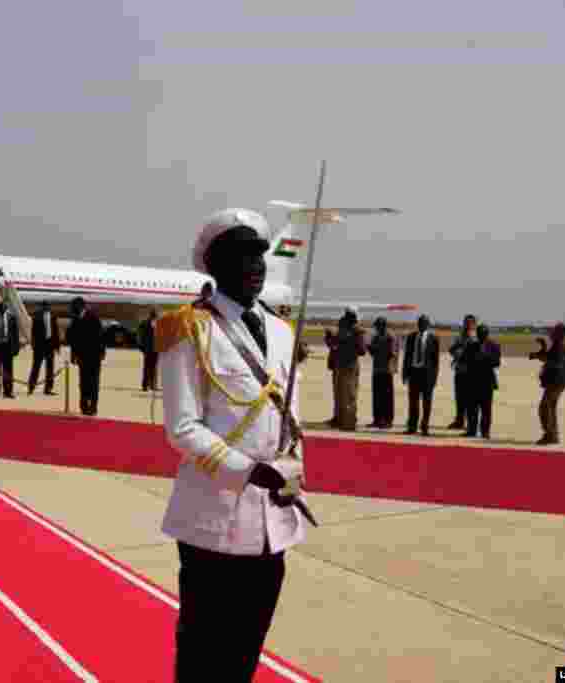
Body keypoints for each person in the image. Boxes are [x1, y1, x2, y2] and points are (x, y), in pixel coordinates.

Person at [158, 208, 309, 682]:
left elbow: (291, 420)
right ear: (216, 266)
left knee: (247, 649)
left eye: (260, 256)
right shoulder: (189, 328)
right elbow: (182, 427)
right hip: (213, 519)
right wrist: (248, 471)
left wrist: (291, 469)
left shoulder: (284, 334)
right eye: (244, 256)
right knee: (204, 649)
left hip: (272, 523)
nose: (257, 266)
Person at [530, 322, 565, 444]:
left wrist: (541, 350)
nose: (551, 333)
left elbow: (550, 359)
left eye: (554, 331)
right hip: (560, 382)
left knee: (544, 408)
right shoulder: (563, 344)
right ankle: (553, 435)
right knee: (551, 407)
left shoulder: (559, 345)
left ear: (559, 333)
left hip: (555, 382)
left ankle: (549, 435)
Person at [328, 308, 367, 431]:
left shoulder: (356, 331)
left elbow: (362, 351)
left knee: (348, 395)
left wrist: (350, 340)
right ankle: (340, 419)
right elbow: (333, 344)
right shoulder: (345, 327)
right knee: (340, 393)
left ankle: (348, 422)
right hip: (341, 364)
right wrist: (331, 338)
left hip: (349, 365)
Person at [66, 297, 105, 416]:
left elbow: (101, 337)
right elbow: (71, 338)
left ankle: (93, 407)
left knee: (93, 383)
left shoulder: (94, 318)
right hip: (82, 356)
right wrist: (74, 354)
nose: (72, 310)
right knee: (83, 383)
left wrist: (102, 352)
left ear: (81, 307)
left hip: (94, 356)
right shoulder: (75, 319)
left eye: (74, 307)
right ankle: (84, 406)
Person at [402, 314, 440, 436]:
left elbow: (435, 361)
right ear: (418, 324)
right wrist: (405, 373)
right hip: (414, 372)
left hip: (427, 374)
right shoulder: (411, 337)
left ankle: (425, 427)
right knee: (413, 402)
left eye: (424, 323)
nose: (422, 325)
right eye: (420, 323)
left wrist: (434, 378)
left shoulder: (433, 339)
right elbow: (407, 356)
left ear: (428, 325)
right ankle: (412, 427)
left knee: (426, 402)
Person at [464, 324, 501, 438]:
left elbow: (496, 362)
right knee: (471, 408)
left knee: (486, 408)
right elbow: (465, 360)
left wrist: (484, 357)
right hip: (473, 381)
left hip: (487, 381)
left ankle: (485, 431)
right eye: (479, 333)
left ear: (487, 334)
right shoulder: (471, 345)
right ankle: (471, 430)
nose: (481, 335)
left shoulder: (494, 346)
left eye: (483, 333)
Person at [366, 316, 399, 429]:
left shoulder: (390, 336)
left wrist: (378, 349)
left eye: (379, 326)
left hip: (386, 370)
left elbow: (392, 353)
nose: (377, 328)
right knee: (377, 396)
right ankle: (377, 419)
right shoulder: (376, 336)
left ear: (383, 325)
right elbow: (373, 353)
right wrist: (370, 348)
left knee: (387, 397)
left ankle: (388, 420)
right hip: (377, 369)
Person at [447, 314, 478, 429]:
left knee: (471, 399)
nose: (467, 325)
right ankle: (459, 420)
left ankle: (471, 423)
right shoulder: (459, 337)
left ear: (474, 324)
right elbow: (451, 349)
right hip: (460, 371)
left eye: (470, 323)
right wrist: (457, 353)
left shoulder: (477, 337)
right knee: (459, 398)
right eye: (466, 323)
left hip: (472, 373)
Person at [28, 301, 60, 395]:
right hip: (39, 346)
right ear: (42, 307)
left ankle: (48, 389)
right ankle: (31, 387)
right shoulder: (37, 316)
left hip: (50, 345)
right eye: (45, 306)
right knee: (36, 367)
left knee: (50, 368)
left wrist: (57, 346)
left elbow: (55, 331)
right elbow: (33, 331)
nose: (46, 308)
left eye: (48, 306)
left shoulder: (53, 316)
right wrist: (33, 344)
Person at [138, 309, 159, 391]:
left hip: (154, 349)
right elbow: (140, 336)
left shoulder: (157, 323)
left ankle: (150, 385)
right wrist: (142, 347)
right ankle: (146, 385)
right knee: (148, 368)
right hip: (149, 349)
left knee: (151, 368)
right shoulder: (145, 324)